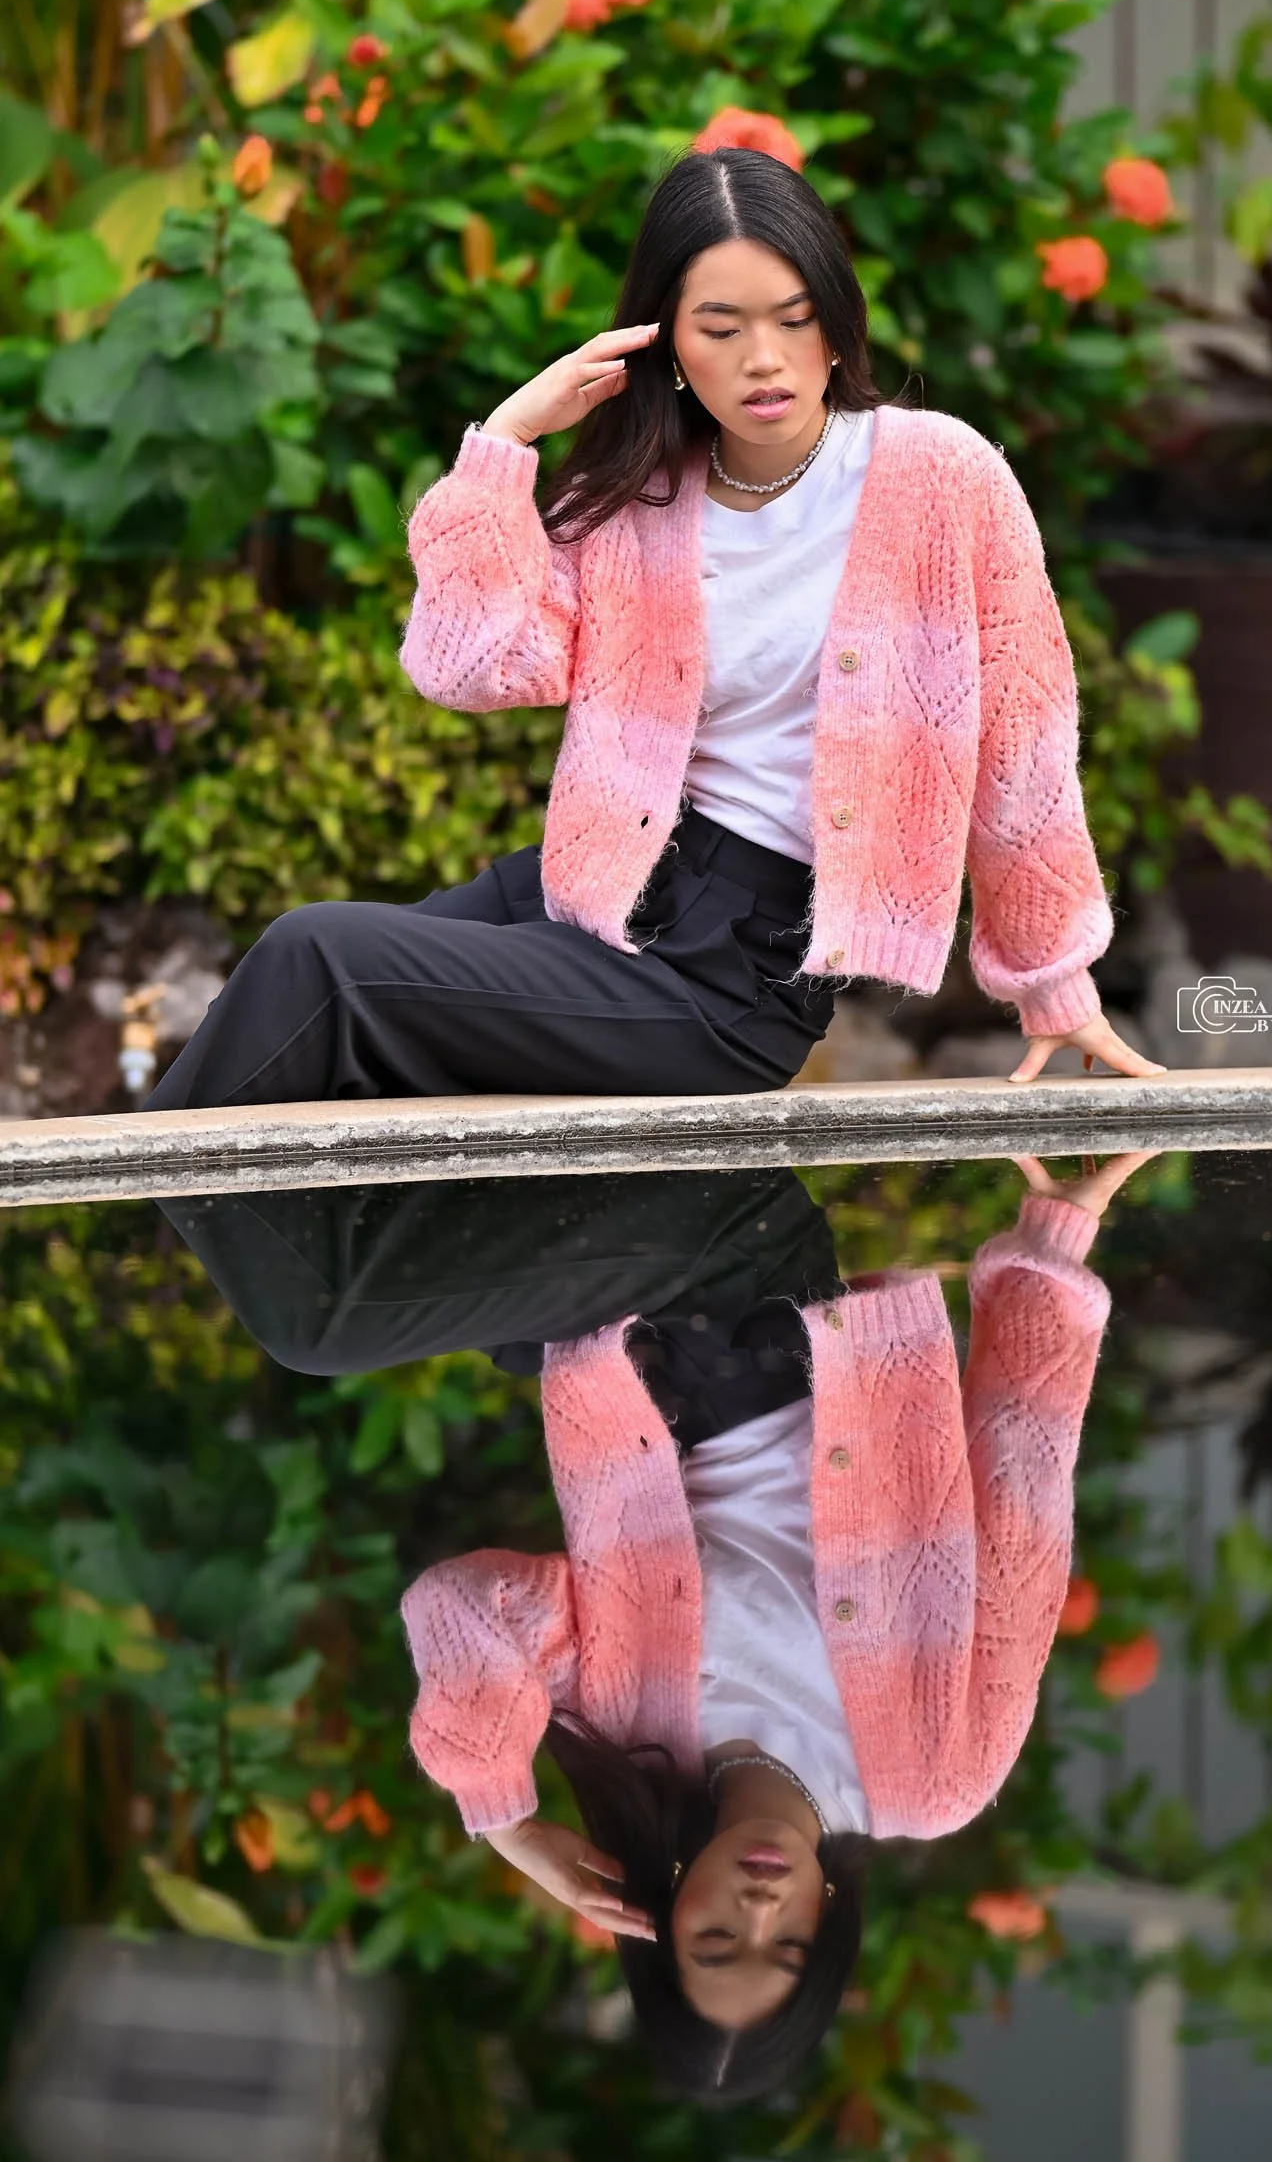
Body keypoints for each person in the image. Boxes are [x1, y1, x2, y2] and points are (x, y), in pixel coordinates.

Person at [143, 143, 1166, 1113]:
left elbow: (1023, 741)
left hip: (729, 972)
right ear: (668, 341)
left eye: (794, 318)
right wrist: (505, 442)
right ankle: (190, 1255)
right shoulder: (640, 500)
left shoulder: (940, 477)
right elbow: (469, 668)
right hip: (591, 887)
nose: (763, 359)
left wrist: (1053, 980)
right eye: (720, 329)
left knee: (319, 960)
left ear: (839, 321)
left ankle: (134, 1242)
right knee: (304, 990)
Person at [157, 1151, 1149, 2098]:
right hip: (765, 1308)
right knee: (325, 1316)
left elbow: (461, 1607)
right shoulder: (934, 1779)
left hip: (613, 1343)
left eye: (716, 1939)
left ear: (666, 1912)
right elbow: (1021, 1521)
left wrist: (504, 1816)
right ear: (829, 1918)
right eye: (787, 1945)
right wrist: (1052, 1252)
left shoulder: (626, 1730)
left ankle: (214, 1098)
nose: (758, 1910)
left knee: (316, 1306)